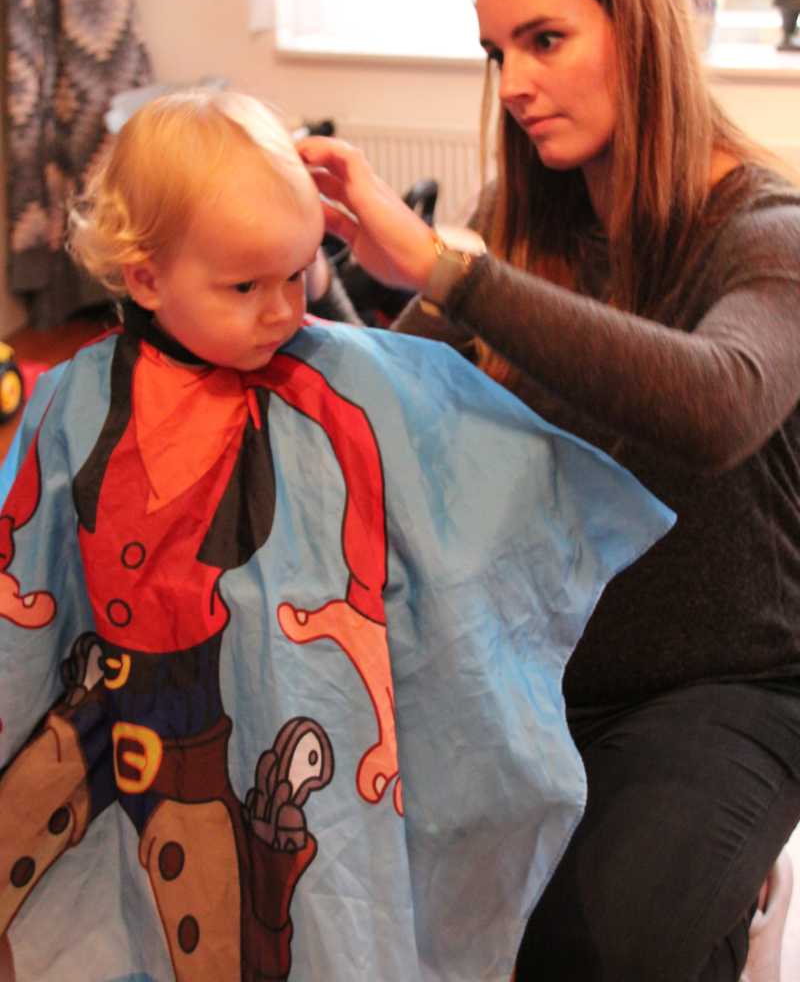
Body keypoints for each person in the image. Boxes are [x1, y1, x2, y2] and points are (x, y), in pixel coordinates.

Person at [0, 89, 672, 982]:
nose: (283, 311)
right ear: (147, 278)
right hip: (99, 707)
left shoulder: (341, 384)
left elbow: (468, 477)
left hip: (256, 728)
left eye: (297, 275)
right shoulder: (70, 400)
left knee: (250, 924)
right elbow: (28, 579)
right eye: (246, 287)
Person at [299, 0, 800, 981]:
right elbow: (388, 394)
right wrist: (266, 286)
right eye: (498, 52)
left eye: (544, 40)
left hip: (728, 684)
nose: (514, 83)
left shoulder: (767, 233)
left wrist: (449, 269)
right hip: (536, 662)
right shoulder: (531, 223)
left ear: (641, 29)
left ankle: (725, 871)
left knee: (609, 947)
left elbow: (715, 406)